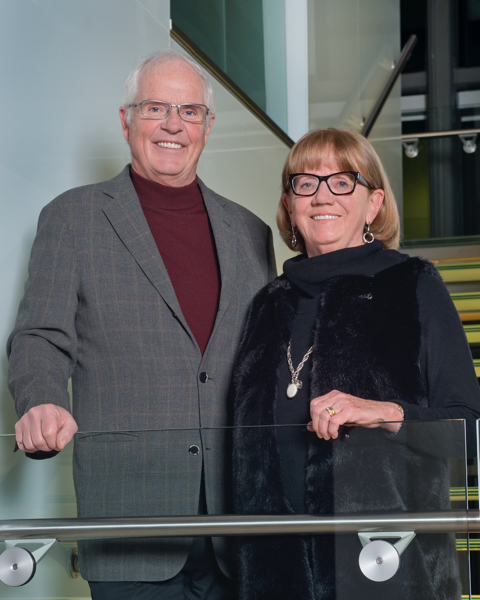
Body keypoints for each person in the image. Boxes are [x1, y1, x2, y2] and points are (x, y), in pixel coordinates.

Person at [7, 49, 276, 599]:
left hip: (240, 522)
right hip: (129, 521)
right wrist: (40, 399)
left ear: (208, 125)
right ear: (126, 119)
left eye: (189, 111)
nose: (174, 124)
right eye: (156, 107)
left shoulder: (250, 233)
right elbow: (40, 335)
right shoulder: (73, 216)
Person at [232, 128, 480, 600]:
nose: (322, 195)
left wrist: (383, 412)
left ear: (373, 204)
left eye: (342, 181)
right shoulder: (266, 304)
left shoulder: (412, 285)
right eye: (305, 183)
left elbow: (468, 426)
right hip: (274, 570)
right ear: (290, 205)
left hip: (386, 564)